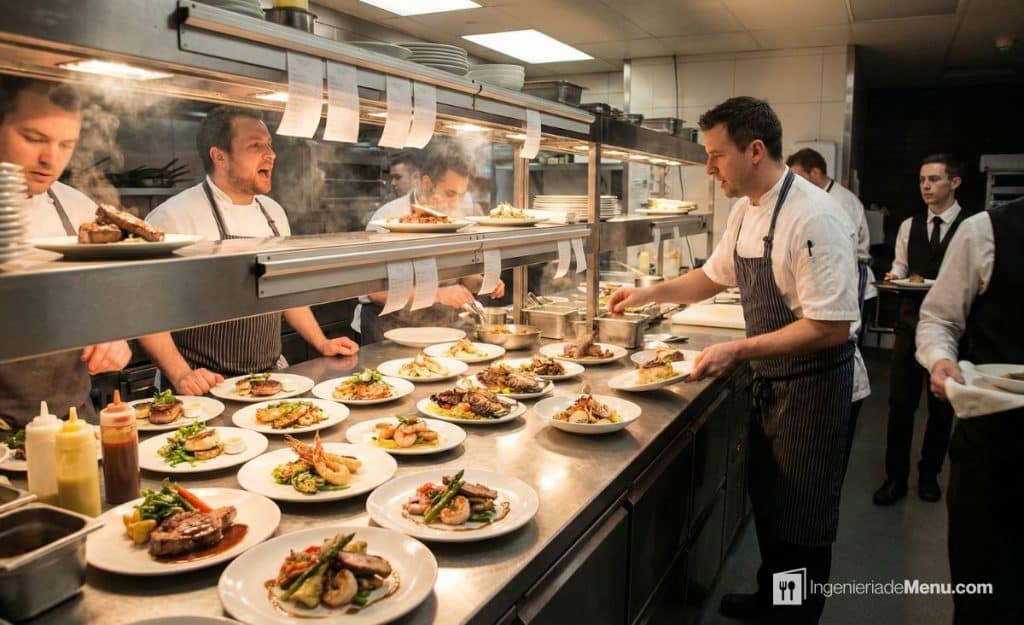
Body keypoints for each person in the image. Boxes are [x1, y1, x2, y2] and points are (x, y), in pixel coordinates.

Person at [608, 97, 867, 625]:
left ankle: (792, 616)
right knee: (771, 508)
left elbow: (830, 325)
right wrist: (649, 293)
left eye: (715, 155)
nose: (708, 168)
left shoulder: (813, 215)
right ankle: (771, 600)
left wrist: (737, 349)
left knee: (801, 529)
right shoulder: (747, 209)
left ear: (753, 151)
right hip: (775, 383)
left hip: (817, 390)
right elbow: (712, 276)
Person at [139, 106, 357, 395]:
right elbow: (145, 309)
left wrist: (321, 342)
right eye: (255, 146)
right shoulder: (174, 218)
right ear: (220, 157)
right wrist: (182, 374)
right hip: (202, 384)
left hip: (268, 378)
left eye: (269, 144)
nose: (271, 154)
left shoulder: (274, 213)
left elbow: (286, 288)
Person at [0, 77, 131, 427]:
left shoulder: (76, 208)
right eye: (33, 139)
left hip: (74, 422)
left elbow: (109, 299)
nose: (50, 158)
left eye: (65, 144)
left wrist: (115, 335)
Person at [918, 196, 1024, 625]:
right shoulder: (986, 231)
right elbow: (940, 319)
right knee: (983, 591)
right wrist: (941, 360)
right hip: (996, 442)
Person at [873, 153, 969, 506]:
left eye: (935, 179)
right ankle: (895, 478)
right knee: (900, 405)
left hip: (954, 330)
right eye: (922, 181)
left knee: (942, 406)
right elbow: (900, 266)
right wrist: (894, 277)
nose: (926, 187)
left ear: (954, 182)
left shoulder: (972, 226)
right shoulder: (909, 225)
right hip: (910, 324)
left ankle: (929, 473)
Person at [360, 143, 501, 344]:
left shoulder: (457, 218)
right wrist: (439, 294)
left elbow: (461, 273)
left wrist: (482, 282)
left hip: (440, 324)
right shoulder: (388, 218)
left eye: (461, 195)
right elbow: (376, 292)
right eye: (449, 194)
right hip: (388, 326)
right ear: (426, 184)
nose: (456, 204)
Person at [787, 147, 873, 472]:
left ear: (815, 173)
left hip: (853, 278)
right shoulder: (808, 206)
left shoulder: (832, 208)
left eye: (796, 178)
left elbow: (831, 324)